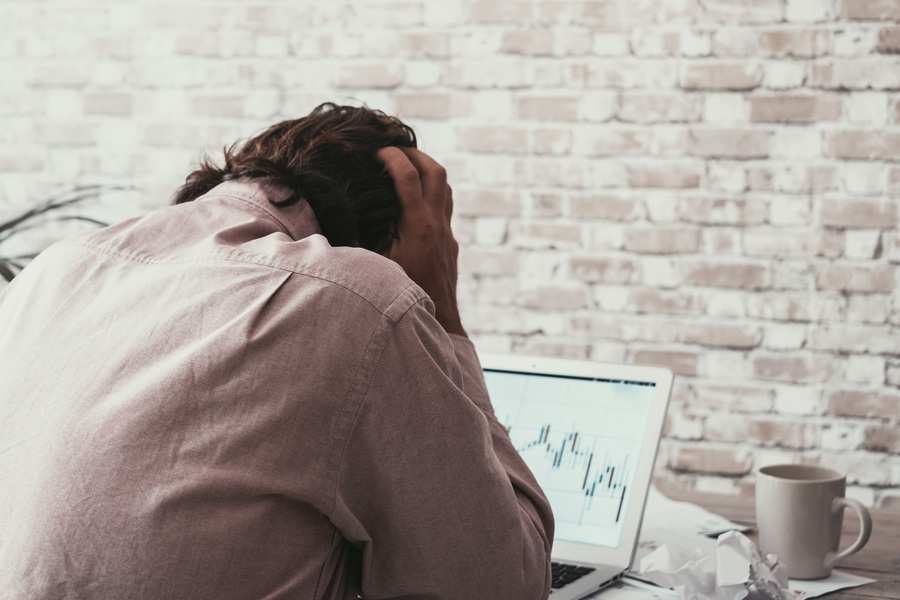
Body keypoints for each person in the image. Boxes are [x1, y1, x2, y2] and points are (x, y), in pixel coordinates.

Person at [0, 103, 554, 599]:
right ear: (391, 244)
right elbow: (500, 582)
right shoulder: (359, 300)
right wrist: (444, 312)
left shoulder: (57, 267)